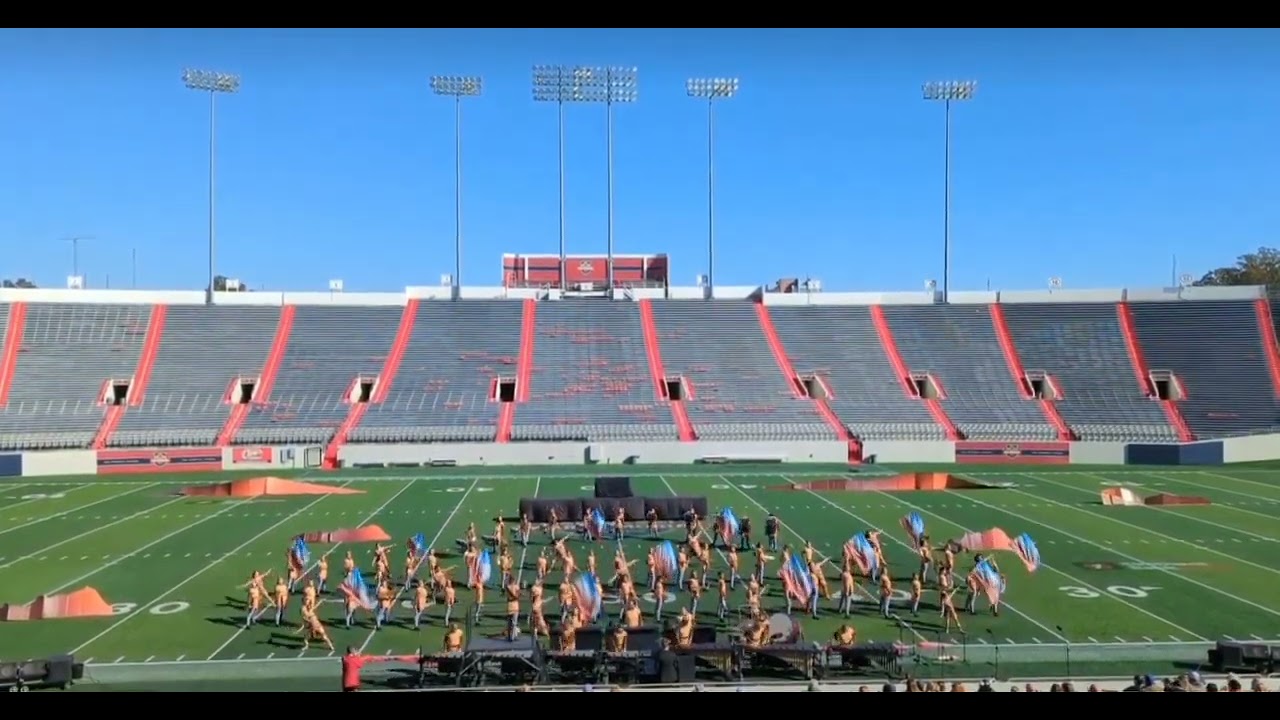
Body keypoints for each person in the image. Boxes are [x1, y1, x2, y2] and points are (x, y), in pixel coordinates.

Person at [340, 646, 418, 692]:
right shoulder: (358, 659)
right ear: (354, 652)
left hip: (345, 683)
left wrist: (356, 655)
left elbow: (347, 658)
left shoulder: (345, 659)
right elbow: (368, 658)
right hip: (353, 682)